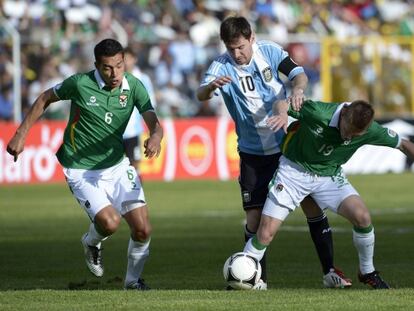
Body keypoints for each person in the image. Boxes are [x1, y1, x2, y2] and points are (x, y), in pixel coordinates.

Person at [197, 16, 350, 289]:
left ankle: (330, 272)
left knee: (312, 206)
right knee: (255, 219)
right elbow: (201, 94)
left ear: (251, 38)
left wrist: (298, 90)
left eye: (241, 47)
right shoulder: (220, 66)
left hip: (288, 148)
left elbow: (298, 74)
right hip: (253, 153)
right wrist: (209, 88)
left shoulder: (269, 51)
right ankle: (257, 279)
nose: (237, 53)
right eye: (231, 48)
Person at [6, 38, 163, 290]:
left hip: (118, 166)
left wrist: (155, 135)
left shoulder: (134, 86)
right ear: (97, 66)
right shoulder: (80, 84)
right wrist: (21, 133)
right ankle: (91, 241)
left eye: (119, 66)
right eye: (108, 68)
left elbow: (153, 120)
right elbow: (45, 98)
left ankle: (133, 282)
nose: (115, 73)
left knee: (143, 229)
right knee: (110, 224)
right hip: (81, 170)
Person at [244, 99, 414, 289]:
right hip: (293, 172)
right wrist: (283, 114)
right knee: (265, 233)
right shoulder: (318, 112)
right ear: (343, 115)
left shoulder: (371, 129)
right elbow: (281, 103)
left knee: (362, 217)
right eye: (348, 130)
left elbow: (403, 144)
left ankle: (367, 271)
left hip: (329, 176)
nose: (349, 137)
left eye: (355, 135)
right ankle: (242, 274)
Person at [123, 46, 157, 174]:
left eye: (128, 58)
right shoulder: (115, 79)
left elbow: (151, 104)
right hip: (114, 132)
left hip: (133, 131)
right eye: (123, 59)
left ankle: (136, 193)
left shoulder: (143, 79)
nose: (126, 62)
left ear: (134, 59)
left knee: (134, 165)